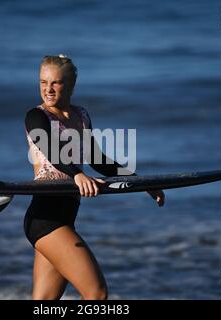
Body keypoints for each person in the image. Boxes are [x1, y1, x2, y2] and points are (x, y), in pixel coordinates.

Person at [23, 54, 165, 300]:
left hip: (64, 218)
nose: (48, 89)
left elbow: (98, 159)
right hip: (45, 217)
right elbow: (49, 148)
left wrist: (141, 182)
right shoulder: (36, 117)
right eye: (43, 82)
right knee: (96, 294)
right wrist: (77, 175)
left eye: (56, 83)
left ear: (71, 85)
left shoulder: (81, 116)